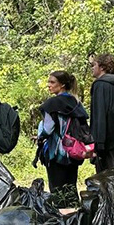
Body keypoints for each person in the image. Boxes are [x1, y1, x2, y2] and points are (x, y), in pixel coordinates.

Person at [37, 71, 88, 208]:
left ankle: (61, 222)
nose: (49, 85)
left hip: (56, 152)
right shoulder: (76, 103)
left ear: (62, 85)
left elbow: (48, 129)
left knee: (58, 191)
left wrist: (40, 135)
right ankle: (75, 220)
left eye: (52, 82)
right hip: (73, 151)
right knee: (71, 188)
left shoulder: (52, 103)